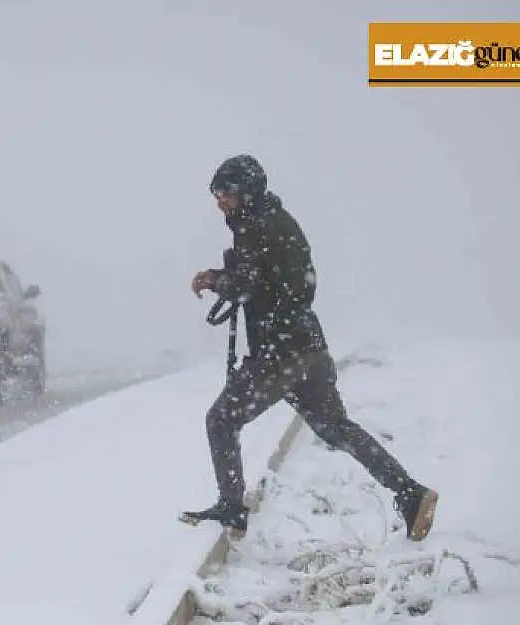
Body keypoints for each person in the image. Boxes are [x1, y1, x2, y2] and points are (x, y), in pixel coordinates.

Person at [183, 153, 438, 542]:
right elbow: (281, 283)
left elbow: (247, 284)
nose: (220, 202)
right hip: (308, 348)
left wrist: (214, 279)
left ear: (246, 191)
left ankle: (232, 509)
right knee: (336, 427)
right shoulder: (277, 223)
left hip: (279, 352)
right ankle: (410, 493)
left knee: (221, 420)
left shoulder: (258, 226)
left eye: (225, 193)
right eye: (216, 194)